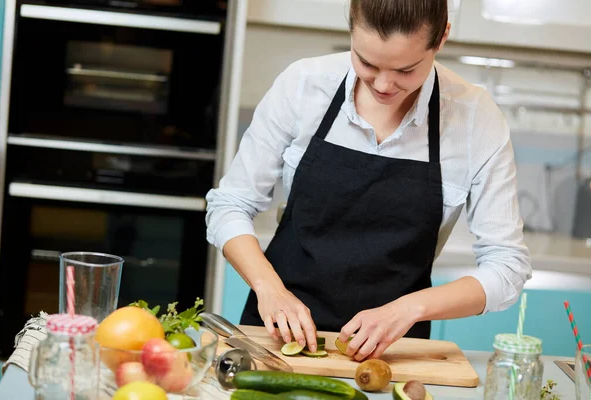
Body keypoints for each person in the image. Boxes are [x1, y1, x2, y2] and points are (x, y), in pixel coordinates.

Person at [205, 0, 532, 361]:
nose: (383, 84)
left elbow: (507, 267)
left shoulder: (475, 119)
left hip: (394, 354)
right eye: (366, 62)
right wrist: (269, 289)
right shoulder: (303, 85)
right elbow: (229, 205)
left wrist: (409, 309)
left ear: (441, 39)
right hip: (276, 338)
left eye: (406, 70)